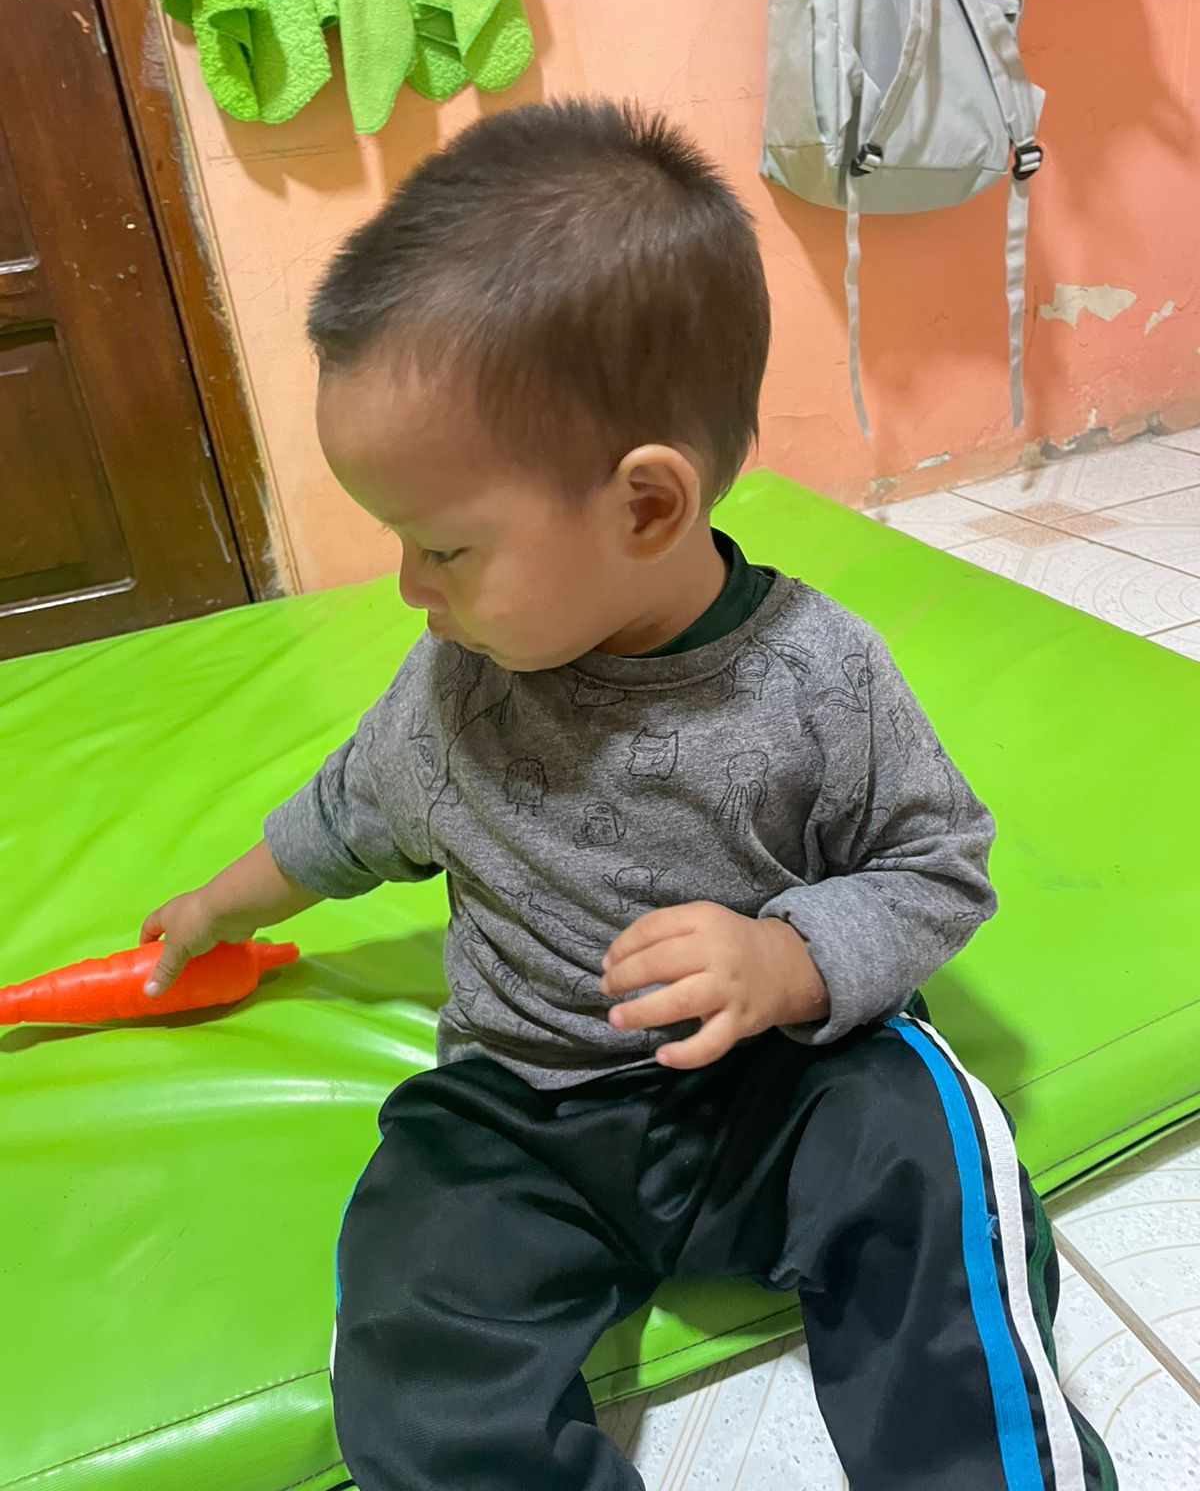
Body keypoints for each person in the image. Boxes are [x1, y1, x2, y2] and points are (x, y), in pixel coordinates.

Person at [141, 99, 1116, 1491]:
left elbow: (936, 868)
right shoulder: (453, 687)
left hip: (771, 1088)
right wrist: (216, 907)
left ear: (646, 506)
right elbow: (342, 821)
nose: (409, 590)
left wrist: (785, 961)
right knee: (409, 1312)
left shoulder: (818, 678)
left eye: (444, 549)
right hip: (520, 1119)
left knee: (923, 1140)